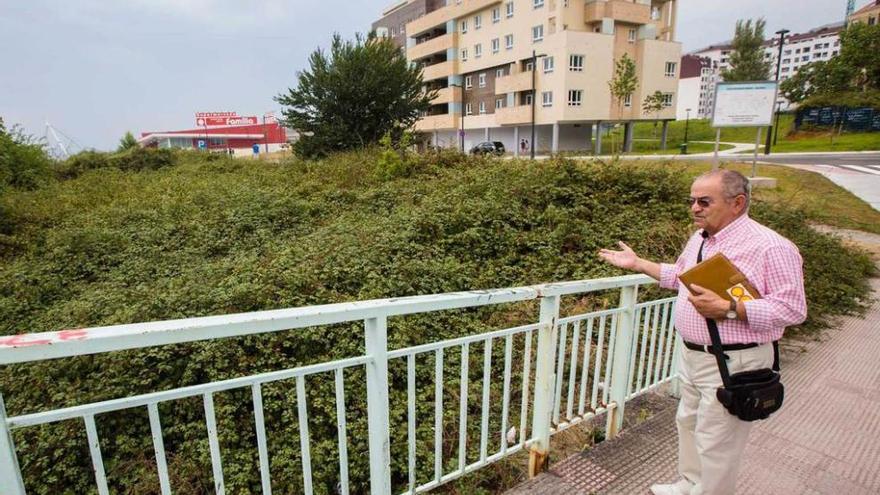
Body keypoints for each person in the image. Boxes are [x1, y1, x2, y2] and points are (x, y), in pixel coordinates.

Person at [598, 169, 806, 495]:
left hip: (736, 360)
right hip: (694, 354)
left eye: (704, 201)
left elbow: (793, 309)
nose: (695, 208)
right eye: (692, 200)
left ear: (737, 203)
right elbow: (679, 275)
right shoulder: (701, 238)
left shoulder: (771, 247)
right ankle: (689, 484)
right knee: (689, 422)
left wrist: (730, 308)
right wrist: (639, 264)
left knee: (717, 441)